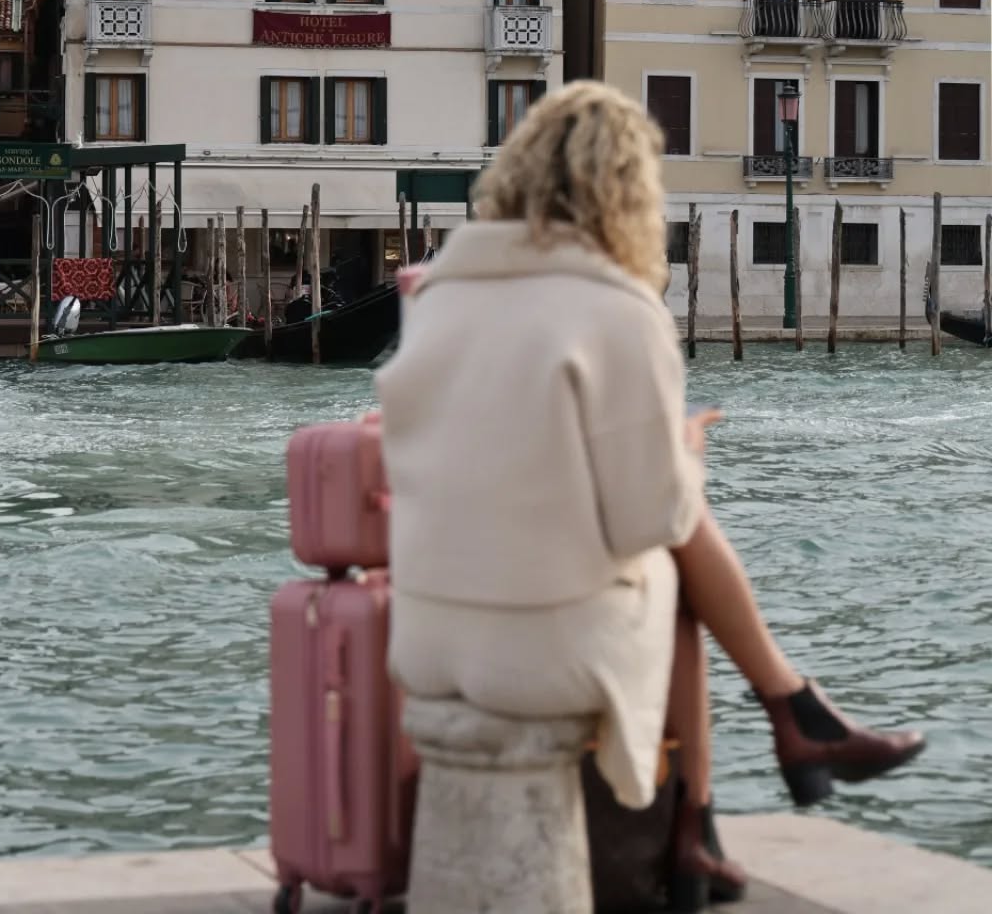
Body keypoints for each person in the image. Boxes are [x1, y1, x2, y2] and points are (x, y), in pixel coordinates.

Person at [376, 82, 924, 912]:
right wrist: (683, 453)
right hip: (536, 656)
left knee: (661, 567)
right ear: (630, 189)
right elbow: (652, 518)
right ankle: (762, 747)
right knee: (673, 579)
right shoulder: (616, 309)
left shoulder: (439, 296)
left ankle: (762, 760)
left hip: (425, 635)